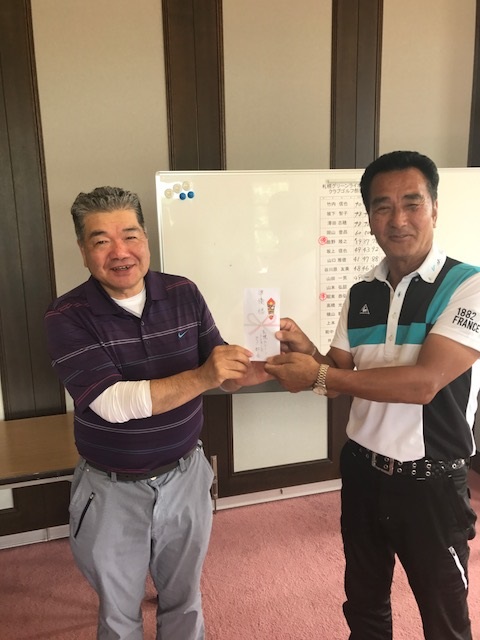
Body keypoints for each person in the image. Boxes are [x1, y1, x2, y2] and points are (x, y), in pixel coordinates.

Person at [264, 150, 480, 640]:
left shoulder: (467, 286)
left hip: (431, 482)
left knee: (445, 620)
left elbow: (423, 384)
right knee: (364, 604)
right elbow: (339, 369)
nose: (398, 219)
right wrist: (307, 350)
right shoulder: (362, 291)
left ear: (435, 208)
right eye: (383, 206)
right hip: (363, 471)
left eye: (412, 203)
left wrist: (320, 377)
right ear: (369, 217)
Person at [44, 186, 268, 640]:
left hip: (186, 476)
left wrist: (277, 365)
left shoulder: (183, 292)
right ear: (83, 250)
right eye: (102, 240)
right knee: (119, 614)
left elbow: (222, 371)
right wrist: (205, 376)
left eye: (130, 235)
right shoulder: (66, 315)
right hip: (111, 489)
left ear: (146, 238)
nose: (120, 251)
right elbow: (111, 403)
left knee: (184, 599)